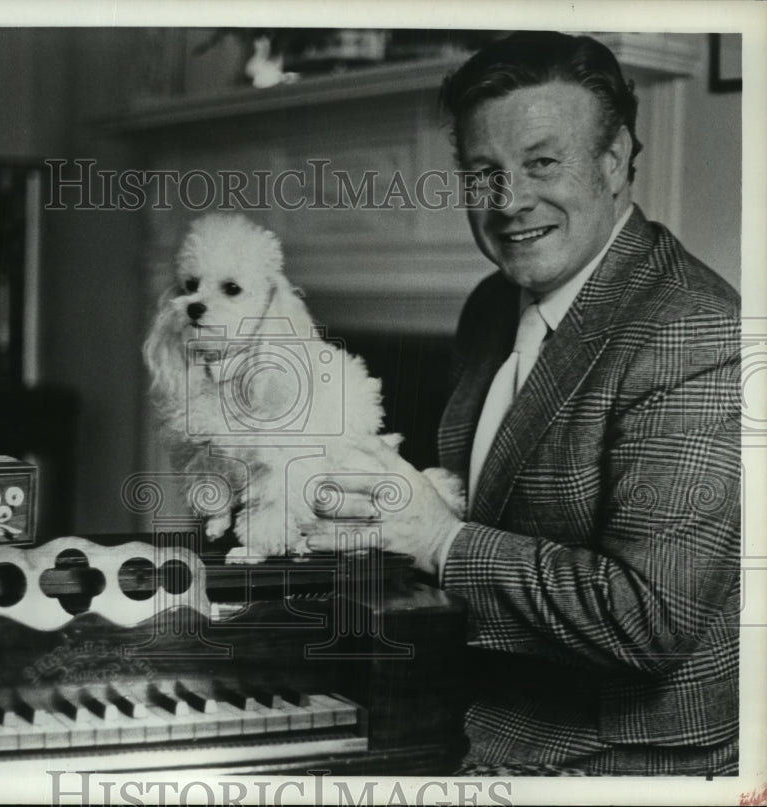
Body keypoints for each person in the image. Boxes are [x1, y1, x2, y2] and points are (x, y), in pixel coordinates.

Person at [307, 31, 740, 776]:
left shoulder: (693, 330)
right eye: (484, 172)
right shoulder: (489, 303)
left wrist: (439, 540)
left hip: (624, 759)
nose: (508, 202)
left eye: (542, 162)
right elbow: (492, 505)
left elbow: (650, 616)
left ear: (613, 162)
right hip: (472, 710)